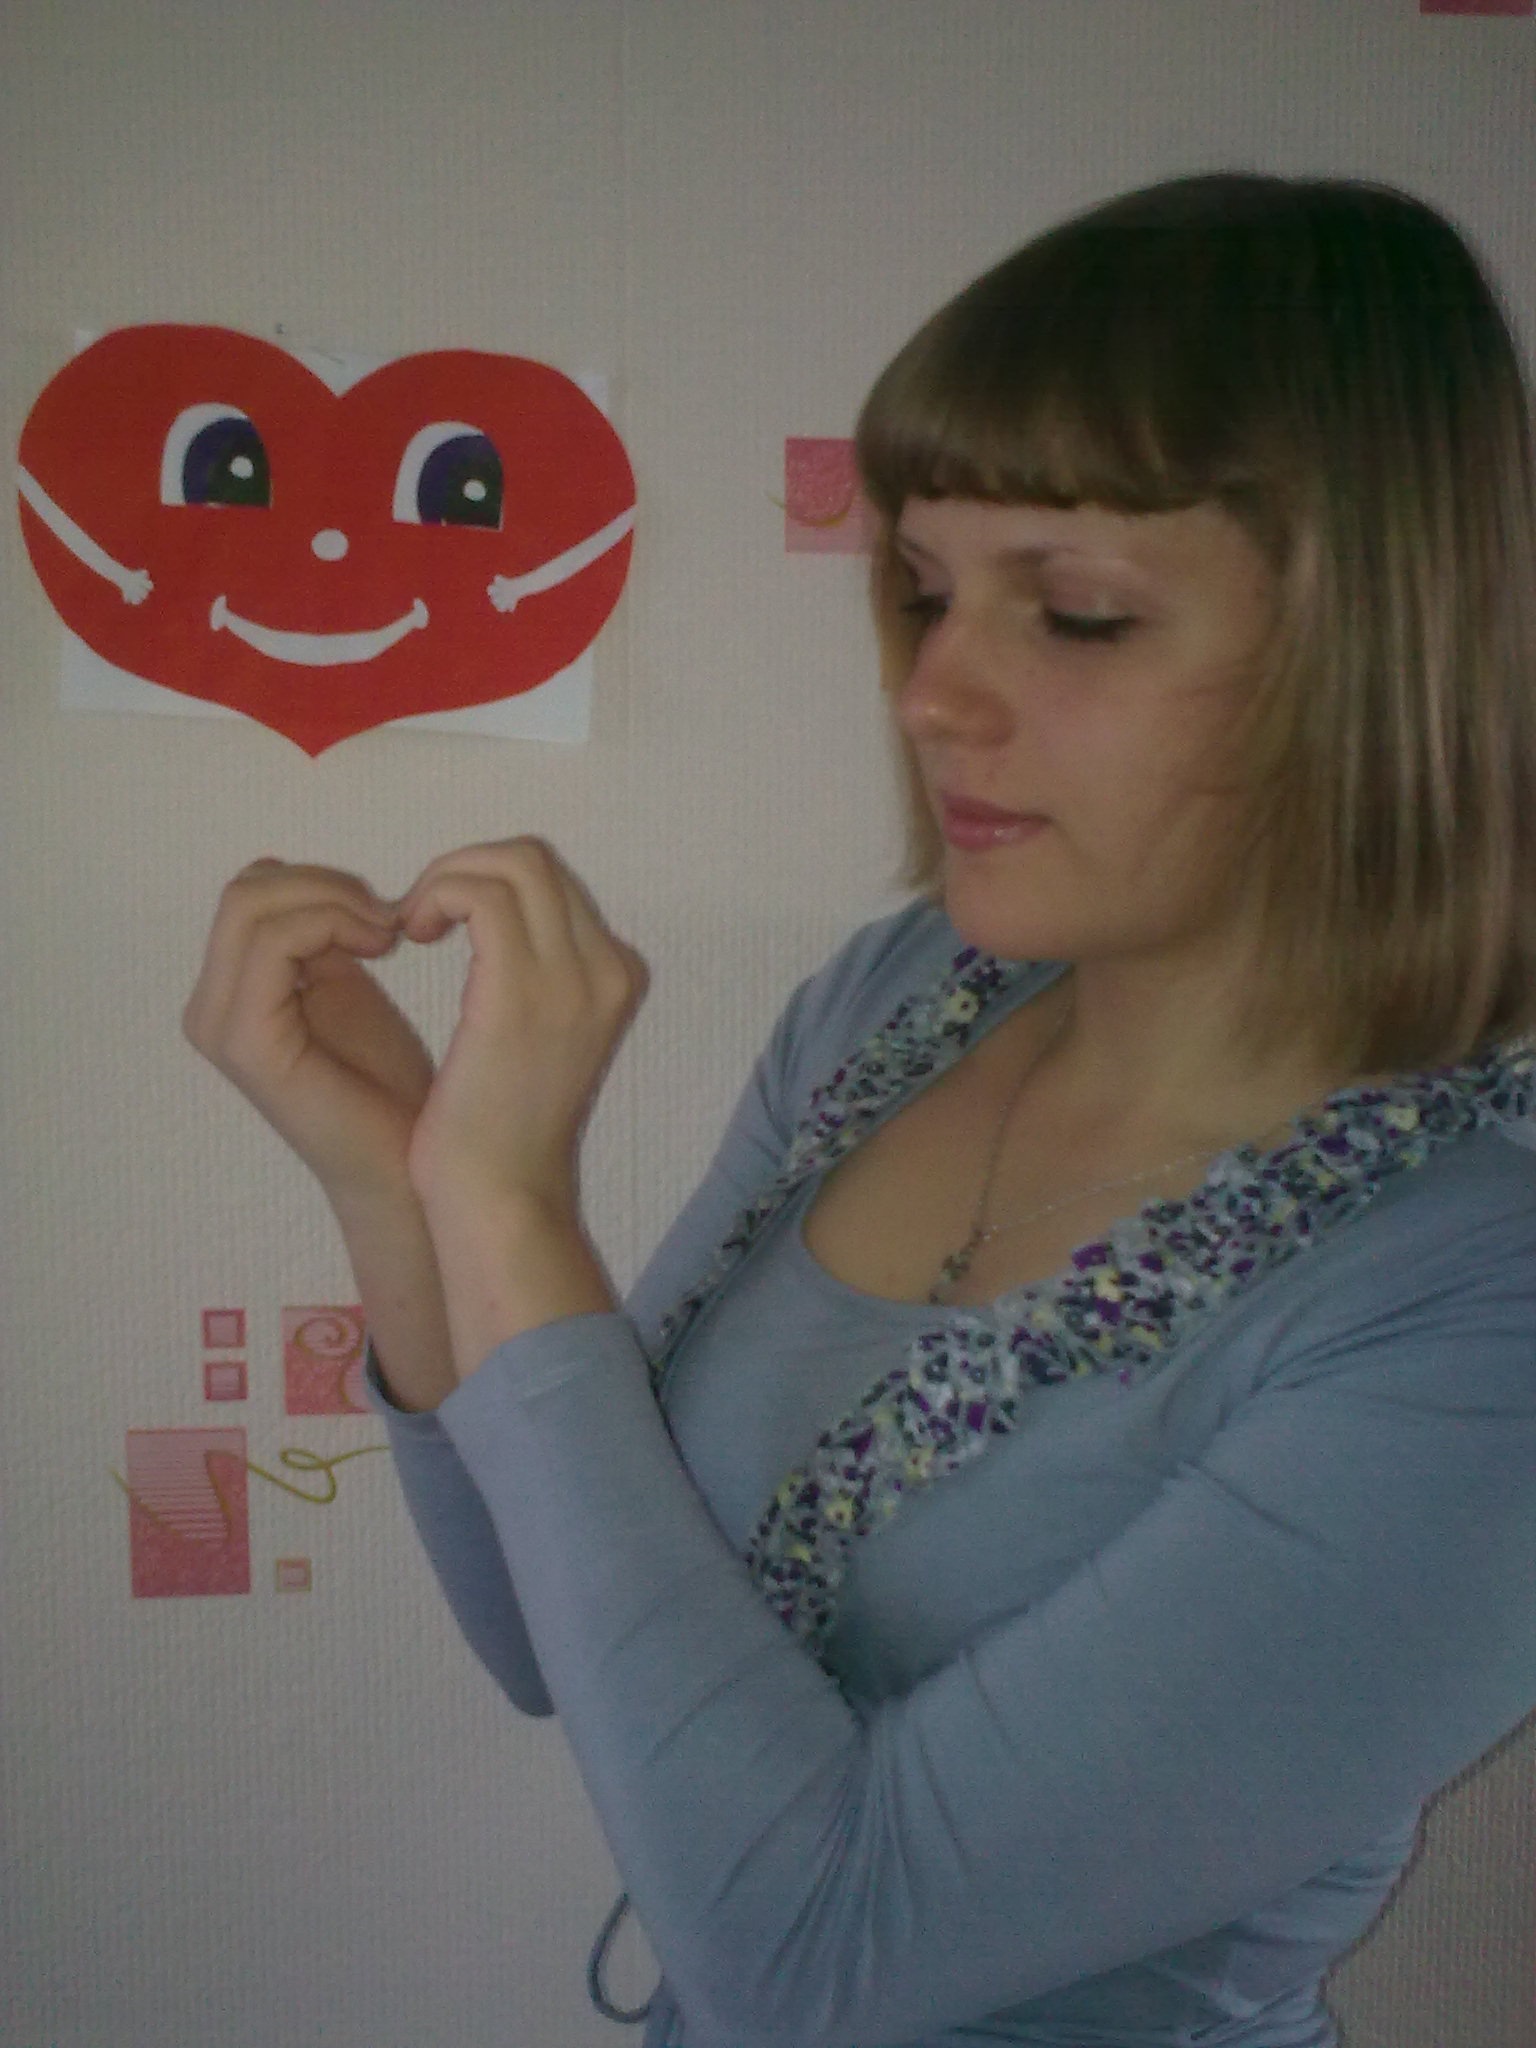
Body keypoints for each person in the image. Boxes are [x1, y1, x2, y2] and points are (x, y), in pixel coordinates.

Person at [184, 171, 1536, 2048]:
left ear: (1377, 651)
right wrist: (405, 1182)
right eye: (923, 590)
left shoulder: (1475, 1304)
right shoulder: (901, 1003)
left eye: (1075, 613)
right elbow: (555, 1640)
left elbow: (815, 1954)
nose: (931, 694)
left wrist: (515, 1212)